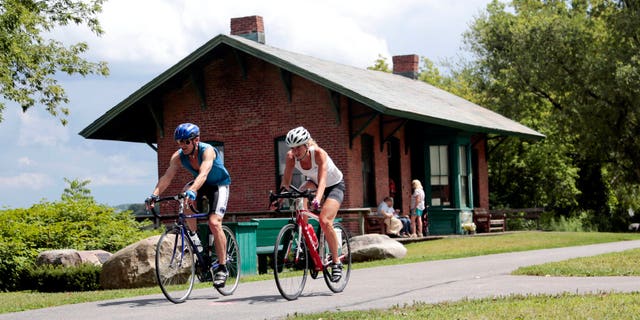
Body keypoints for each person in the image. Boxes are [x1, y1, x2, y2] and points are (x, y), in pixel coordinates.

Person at [145, 123, 232, 288]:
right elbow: (167, 176)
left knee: (214, 222)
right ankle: (195, 239)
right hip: (199, 184)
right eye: (179, 142)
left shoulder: (207, 151)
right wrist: (154, 195)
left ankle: (222, 267)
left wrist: (192, 190)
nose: (182, 145)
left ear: (196, 140)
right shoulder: (178, 156)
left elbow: (204, 173)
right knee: (183, 197)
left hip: (218, 185)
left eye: (186, 141)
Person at [280, 126, 345, 282]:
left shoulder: (319, 154)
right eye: (292, 148)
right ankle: (308, 244)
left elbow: (323, 180)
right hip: (312, 183)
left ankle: (336, 262)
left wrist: (317, 198)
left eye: (298, 148)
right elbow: (286, 183)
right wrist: (279, 199)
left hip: (334, 185)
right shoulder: (291, 157)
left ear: (307, 145)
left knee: (324, 220)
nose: (295, 152)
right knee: (299, 201)